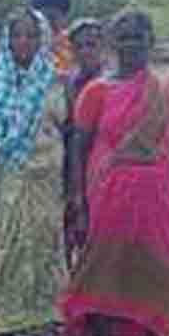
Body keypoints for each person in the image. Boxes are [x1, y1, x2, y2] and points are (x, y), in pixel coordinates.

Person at [60, 10, 169, 336]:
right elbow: (78, 149)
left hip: (160, 192)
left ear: (151, 40)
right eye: (124, 37)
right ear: (112, 43)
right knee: (106, 269)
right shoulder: (96, 91)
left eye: (139, 36)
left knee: (167, 270)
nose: (131, 44)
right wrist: (78, 201)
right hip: (110, 190)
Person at [0, 8, 66, 336]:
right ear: (7, 39)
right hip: (4, 173)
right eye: (17, 35)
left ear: (43, 39)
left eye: (32, 35)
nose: (24, 41)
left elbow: (71, 130)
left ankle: (40, 317)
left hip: (46, 176)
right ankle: (2, 317)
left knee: (42, 242)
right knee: (8, 242)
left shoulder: (57, 79)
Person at [61, 18, 108, 264]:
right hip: (70, 164)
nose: (85, 51)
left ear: (104, 46)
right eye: (79, 46)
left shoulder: (116, 83)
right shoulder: (65, 82)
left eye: (91, 44)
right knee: (68, 232)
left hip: (104, 168)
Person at [30, 0, 74, 77]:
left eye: (51, 17)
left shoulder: (75, 46)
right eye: (40, 18)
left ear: (64, 17)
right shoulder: (23, 45)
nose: (45, 23)